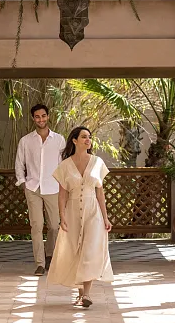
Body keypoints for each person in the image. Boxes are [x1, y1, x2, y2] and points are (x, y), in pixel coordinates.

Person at [47, 126, 114, 308]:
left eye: (89, 137)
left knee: (89, 251)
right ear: (74, 140)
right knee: (76, 250)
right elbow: (62, 194)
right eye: (84, 137)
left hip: (93, 212)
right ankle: (81, 294)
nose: (88, 140)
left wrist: (106, 217)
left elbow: (100, 193)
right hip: (73, 211)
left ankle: (87, 294)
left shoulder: (97, 162)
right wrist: (62, 215)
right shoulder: (65, 165)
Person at [15, 104, 67, 276]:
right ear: (33, 118)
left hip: (53, 187)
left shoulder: (59, 140)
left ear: (48, 116)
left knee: (54, 225)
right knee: (36, 225)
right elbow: (19, 163)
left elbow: (63, 165)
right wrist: (23, 182)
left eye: (43, 116)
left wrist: (63, 186)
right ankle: (40, 263)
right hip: (33, 188)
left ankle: (50, 254)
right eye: (37, 117)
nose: (41, 119)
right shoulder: (25, 141)